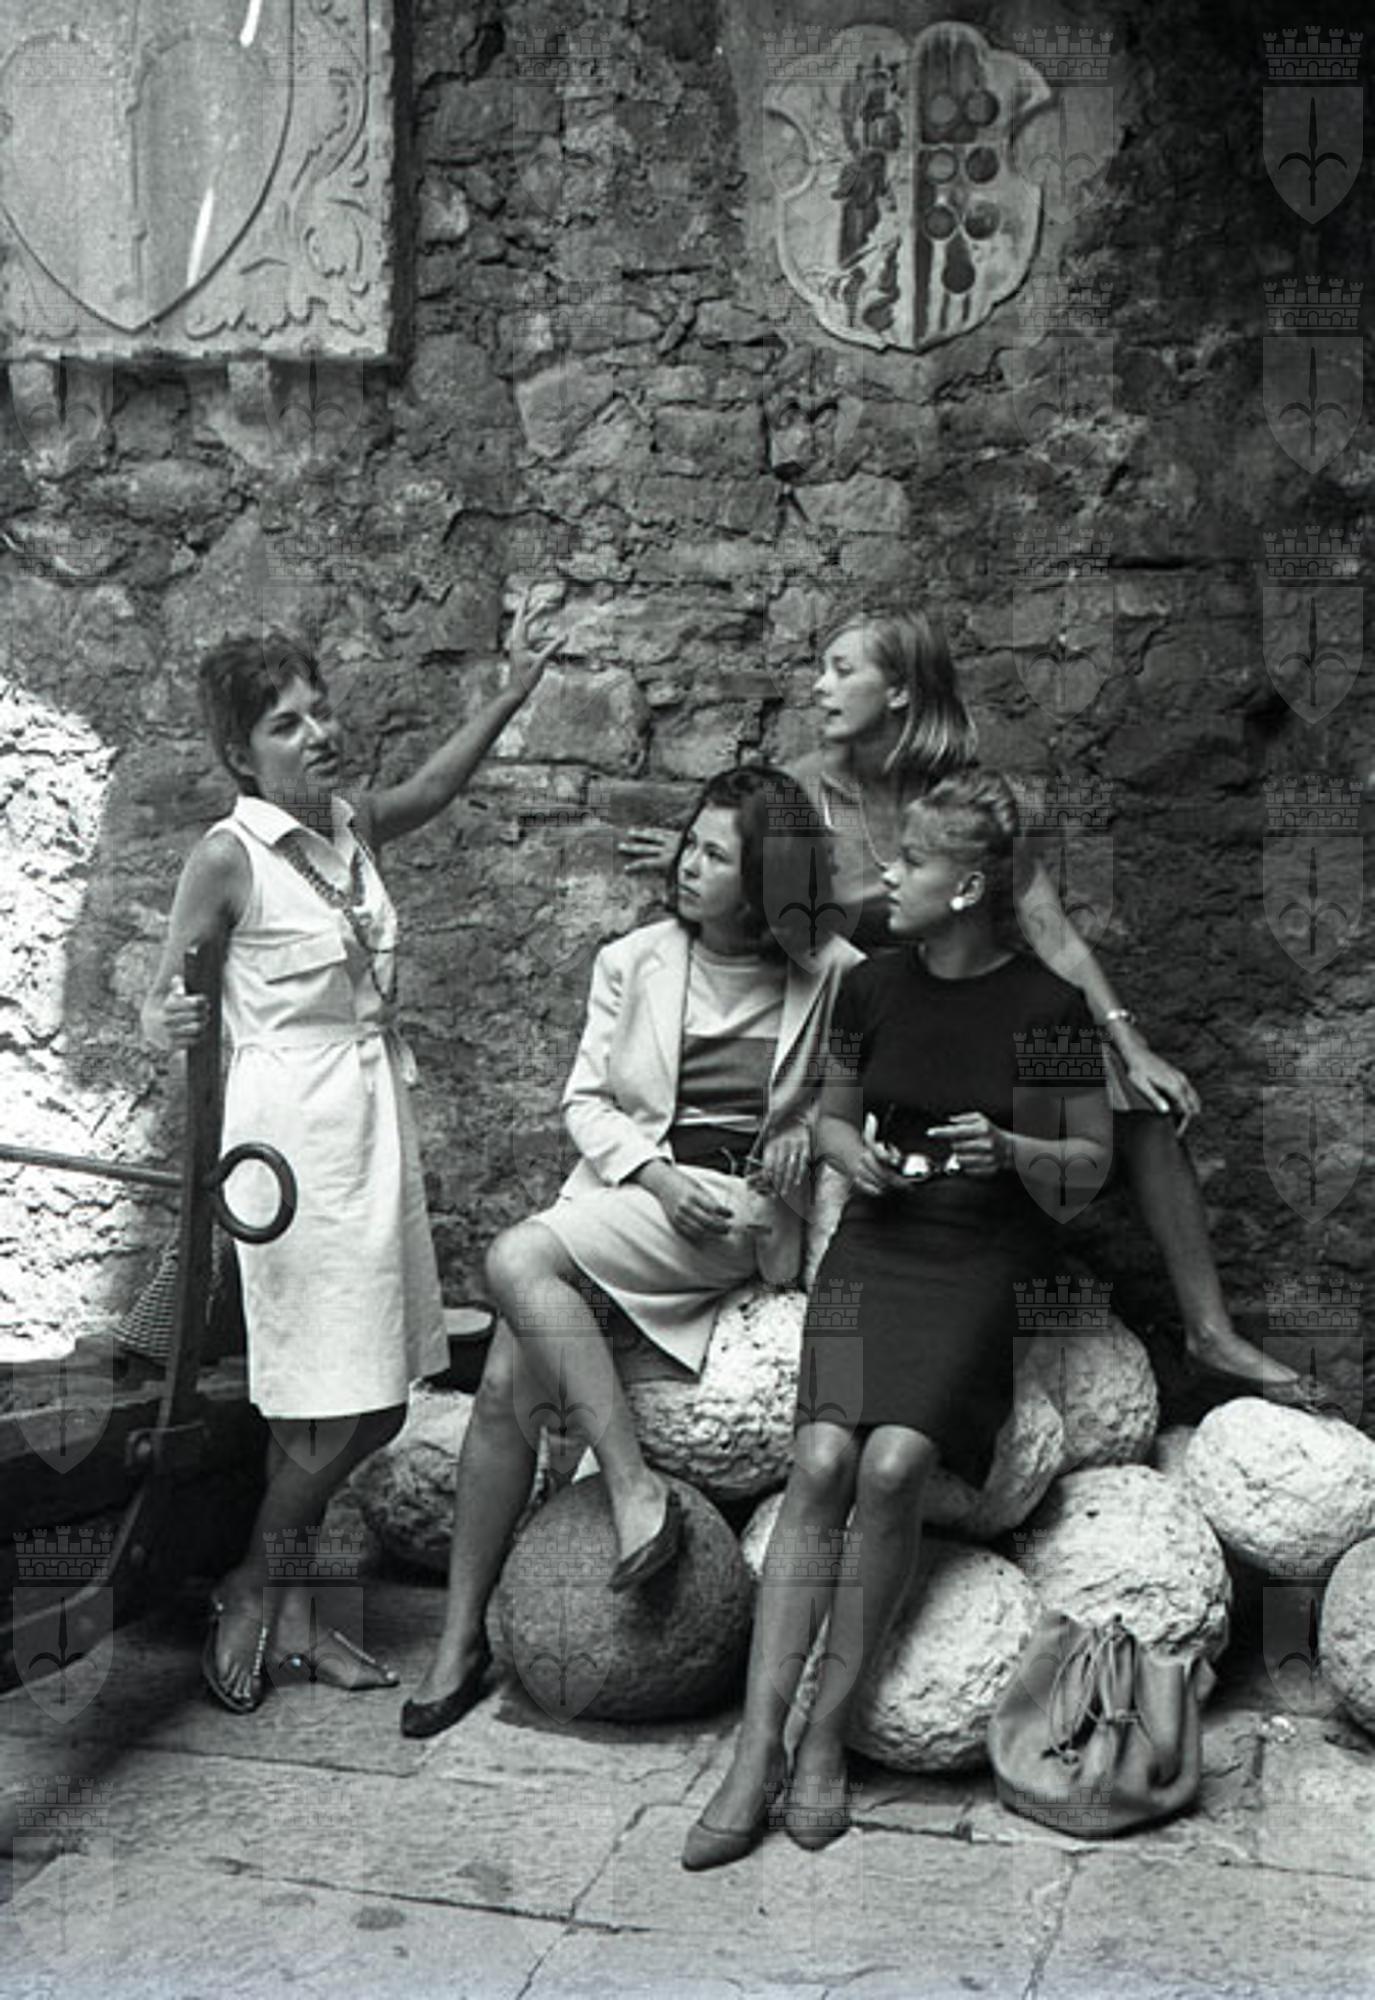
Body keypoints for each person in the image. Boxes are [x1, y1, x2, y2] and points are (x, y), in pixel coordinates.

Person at [622, 606, 1306, 1398]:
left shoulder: (962, 795)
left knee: (1143, 1110)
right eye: (823, 668)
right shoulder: (800, 794)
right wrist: (698, 864)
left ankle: (1208, 1331)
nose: (819, 687)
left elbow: (1050, 931)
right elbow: (757, 911)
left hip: (971, 1004)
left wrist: (1129, 1041)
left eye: (842, 670)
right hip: (871, 1022)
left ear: (900, 692)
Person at [682, 769, 1113, 1868]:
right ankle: (755, 1746)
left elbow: (1088, 1170)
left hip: (980, 1255)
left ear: (965, 887)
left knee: (892, 1464)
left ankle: (825, 1738)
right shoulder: (870, 984)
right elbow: (831, 1122)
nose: (886, 874)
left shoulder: (1048, 1009)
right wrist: (850, 1155)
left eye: (910, 861)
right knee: (821, 1458)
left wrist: (1010, 1149)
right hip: (878, 1240)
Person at [141, 595, 561, 1713]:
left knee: (340, 1394)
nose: (317, 733)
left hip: (371, 1119)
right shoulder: (227, 856)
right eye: (285, 723)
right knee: (351, 1399)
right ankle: (252, 1576)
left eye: (319, 710)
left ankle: (293, 1616)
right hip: (288, 1145)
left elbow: (434, 788)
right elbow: (161, 995)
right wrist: (166, 1018)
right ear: (241, 753)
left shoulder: (349, 826)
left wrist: (510, 694)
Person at [403, 766, 861, 1739]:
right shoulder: (632, 959)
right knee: (504, 1383)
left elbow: (864, 1084)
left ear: (766, 879)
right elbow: (585, 1101)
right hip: (637, 1197)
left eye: (715, 855)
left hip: (731, 1215)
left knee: (516, 1262)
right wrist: (653, 1177)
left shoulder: (833, 972)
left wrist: (805, 1125)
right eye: (689, 843)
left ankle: (612, 1500)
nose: (687, 865)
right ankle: (475, 1623)